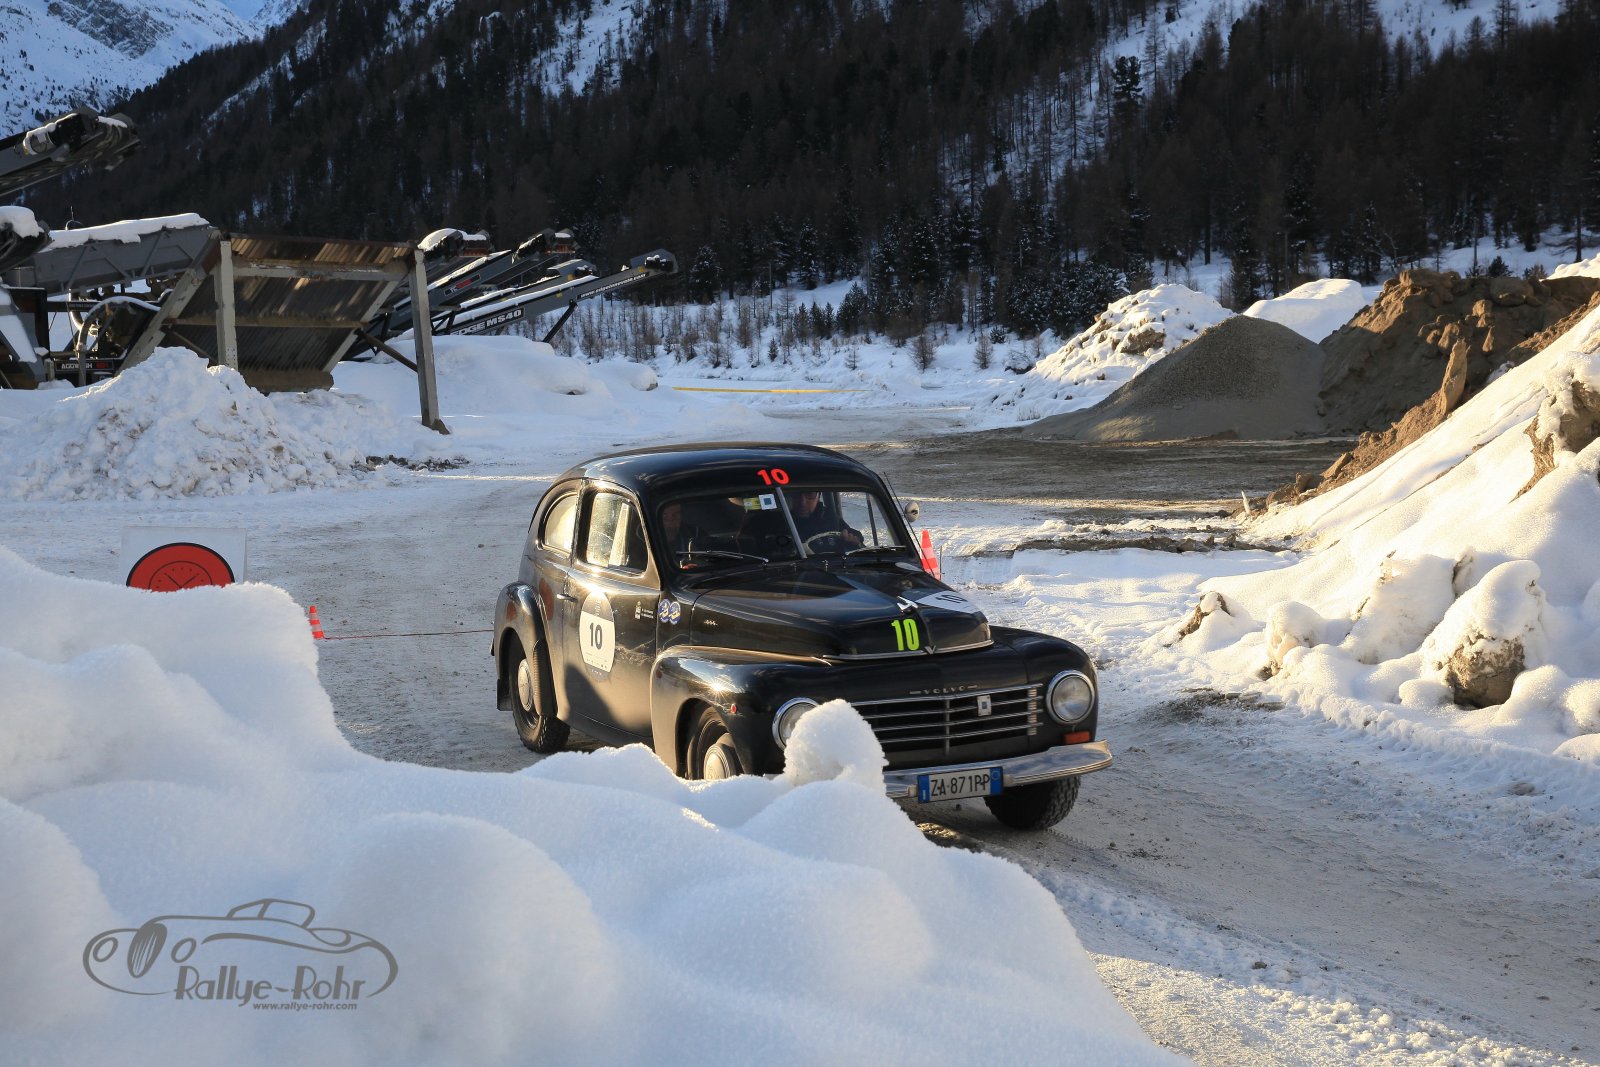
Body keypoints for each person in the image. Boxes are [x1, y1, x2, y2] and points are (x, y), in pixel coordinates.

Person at [786, 490, 863, 548]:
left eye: (810, 494)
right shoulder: (782, 521)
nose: (802, 502)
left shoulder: (830, 517)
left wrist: (853, 541)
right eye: (796, 494)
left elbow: (853, 535)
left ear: (818, 496)